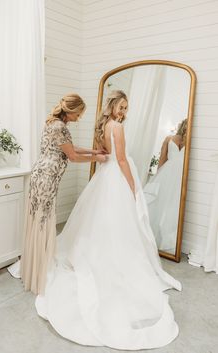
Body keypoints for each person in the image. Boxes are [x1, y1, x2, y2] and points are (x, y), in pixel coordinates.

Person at [35, 90, 182, 350]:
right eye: (121, 106)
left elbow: (104, 152)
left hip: (105, 174)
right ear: (113, 106)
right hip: (116, 175)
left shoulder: (104, 126)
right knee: (119, 223)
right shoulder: (118, 127)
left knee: (101, 221)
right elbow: (122, 159)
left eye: (127, 107)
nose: (124, 111)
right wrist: (132, 186)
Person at [21, 93, 107, 295]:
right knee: (43, 220)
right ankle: (39, 271)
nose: (79, 117)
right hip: (47, 179)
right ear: (70, 111)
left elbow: (70, 148)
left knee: (38, 220)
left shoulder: (54, 124)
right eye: (79, 113)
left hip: (40, 175)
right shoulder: (59, 126)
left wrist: (94, 152)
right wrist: (99, 160)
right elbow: (73, 157)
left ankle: (34, 267)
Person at [144, 119, 187, 251]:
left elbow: (162, 160)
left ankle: (167, 236)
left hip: (179, 176)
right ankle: (154, 236)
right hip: (170, 174)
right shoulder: (170, 138)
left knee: (172, 206)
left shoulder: (184, 141)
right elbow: (162, 159)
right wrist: (157, 179)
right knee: (163, 204)